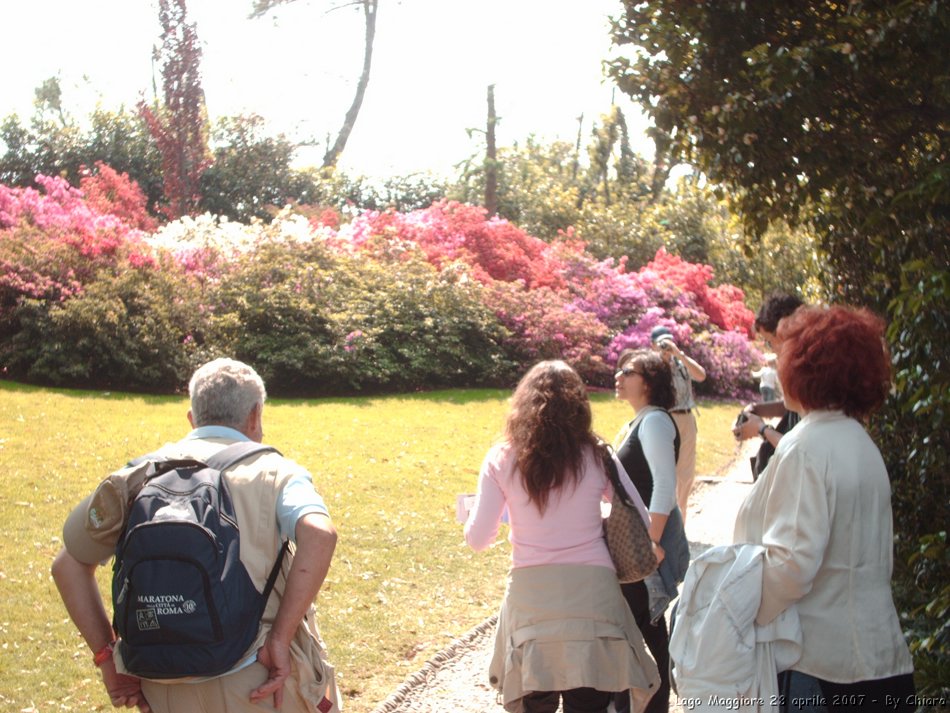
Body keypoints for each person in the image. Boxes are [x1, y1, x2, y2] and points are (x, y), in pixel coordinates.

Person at [51, 358, 340, 713]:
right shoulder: (276, 471)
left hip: (161, 687)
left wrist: (108, 659)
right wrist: (280, 638)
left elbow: (67, 565)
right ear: (255, 416)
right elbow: (319, 534)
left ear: (192, 418)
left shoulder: (137, 474)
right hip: (260, 683)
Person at [733, 306, 915, 712]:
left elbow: (792, 563)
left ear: (803, 370)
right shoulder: (860, 442)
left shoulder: (808, 445)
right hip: (881, 659)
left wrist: (740, 614)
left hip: (819, 668)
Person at [465, 360, 661, 713]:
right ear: (579, 406)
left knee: (534, 703)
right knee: (588, 703)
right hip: (594, 596)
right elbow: (641, 518)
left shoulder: (501, 458)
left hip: (532, 599)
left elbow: (478, 538)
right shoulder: (597, 454)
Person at [612, 348, 688, 713]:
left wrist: (652, 543)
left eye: (627, 370)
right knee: (641, 632)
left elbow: (664, 486)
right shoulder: (638, 422)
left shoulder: (655, 421)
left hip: (643, 550)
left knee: (648, 633)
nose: (618, 376)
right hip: (634, 548)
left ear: (649, 382)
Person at [733, 292, 804, 478]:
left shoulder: (810, 373)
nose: (771, 349)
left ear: (785, 331)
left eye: (769, 341)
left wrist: (762, 429)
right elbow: (794, 406)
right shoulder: (803, 371)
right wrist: (757, 409)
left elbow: (802, 454)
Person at [650, 326, 705, 519]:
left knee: (686, 473)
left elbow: (701, 375)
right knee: (665, 471)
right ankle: (664, 518)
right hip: (665, 419)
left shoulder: (681, 364)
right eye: (662, 344)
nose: (666, 347)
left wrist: (679, 354)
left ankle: (681, 519)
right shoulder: (653, 366)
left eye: (668, 342)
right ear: (653, 345)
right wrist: (662, 359)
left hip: (687, 418)